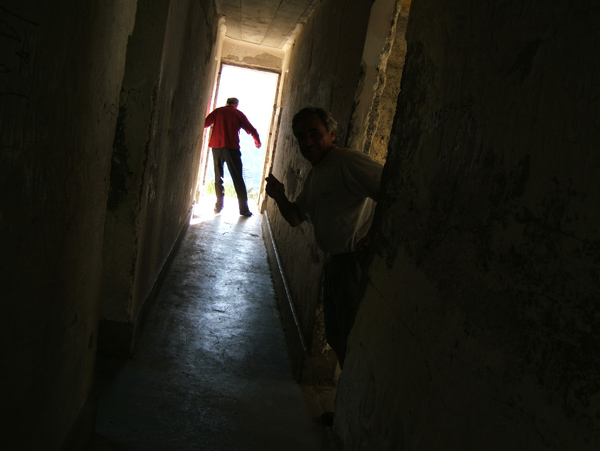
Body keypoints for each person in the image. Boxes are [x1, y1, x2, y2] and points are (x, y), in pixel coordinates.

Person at [265, 106, 383, 370]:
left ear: (331, 135)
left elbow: (389, 189)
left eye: (314, 134)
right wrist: (280, 196)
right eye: (301, 136)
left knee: (351, 340)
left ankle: (350, 408)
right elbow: (296, 219)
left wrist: (371, 235)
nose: (307, 142)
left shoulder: (347, 161)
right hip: (335, 265)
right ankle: (343, 406)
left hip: (353, 263)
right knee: (336, 337)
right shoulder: (316, 174)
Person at [204, 97, 261, 216]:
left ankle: (218, 207)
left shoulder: (218, 111)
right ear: (236, 104)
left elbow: (205, 123)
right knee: (238, 178)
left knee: (218, 178)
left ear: (226, 103)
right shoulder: (238, 114)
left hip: (216, 148)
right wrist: (257, 142)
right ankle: (244, 210)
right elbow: (251, 129)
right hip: (231, 149)